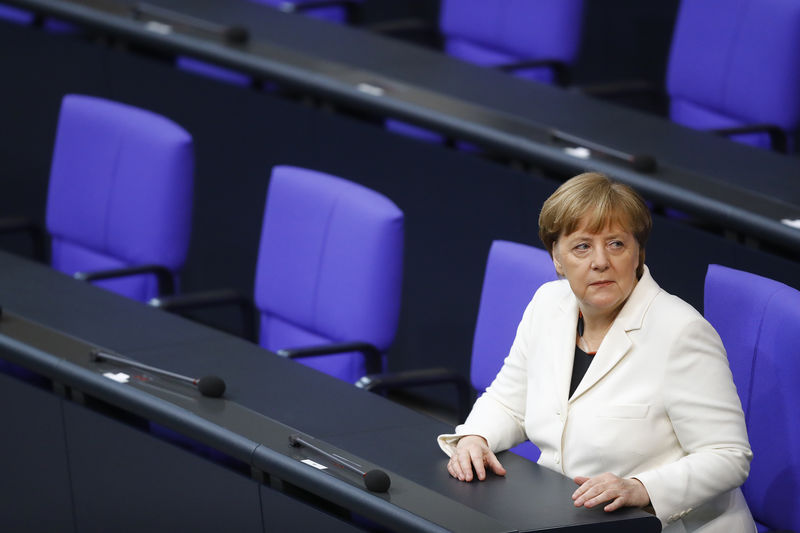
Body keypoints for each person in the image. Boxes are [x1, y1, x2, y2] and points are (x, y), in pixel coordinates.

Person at [438, 173, 754, 532]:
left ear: (639, 253)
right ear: (557, 259)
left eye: (616, 244)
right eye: (582, 247)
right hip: (567, 518)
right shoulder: (547, 304)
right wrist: (475, 437)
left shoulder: (680, 333)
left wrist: (640, 488)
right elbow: (510, 401)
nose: (601, 261)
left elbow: (728, 457)